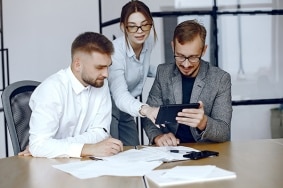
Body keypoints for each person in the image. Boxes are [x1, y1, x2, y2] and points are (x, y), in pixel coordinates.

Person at [24, 32, 123, 158]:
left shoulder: (101, 84)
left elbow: (101, 132)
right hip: (49, 168)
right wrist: (89, 148)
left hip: (81, 164)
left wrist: (55, 147)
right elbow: (38, 146)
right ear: (78, 65)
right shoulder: (51, 89)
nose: (106, 74)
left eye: (108, 67)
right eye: (99, 67)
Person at [143, 20, 232, 146]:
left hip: (206, 152)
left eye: (193, 57)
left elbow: (224, 132)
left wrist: (203, 122)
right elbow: (149, 117)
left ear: (203, 50)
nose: (186, 64)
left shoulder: (220, 79)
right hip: (171, 151)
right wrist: (158, 136)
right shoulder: (163, 73)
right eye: (180, 56)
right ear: (173, 47)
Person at [108, 1, 158, 146]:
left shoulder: (147, 42)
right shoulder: (115, 52)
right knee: (114, 154)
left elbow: (141, 68)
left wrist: (167, 71)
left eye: (144, 24)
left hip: (127, 107)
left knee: (133, 150)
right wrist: (146, 109)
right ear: (123, 27)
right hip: (109, 108)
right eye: (132, 26)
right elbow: (119, 95)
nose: (140, 31)